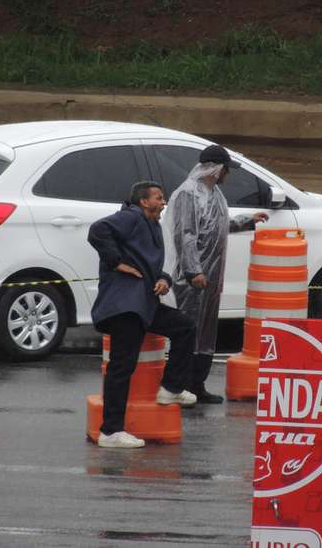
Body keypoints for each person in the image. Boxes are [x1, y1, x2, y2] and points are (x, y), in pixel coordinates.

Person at [88, 181, 197, 449]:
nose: (163, 202)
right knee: (121, 368)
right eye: (158, 198)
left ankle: (170, 389)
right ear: (143, 201)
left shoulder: (152, 225)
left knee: (184, 327)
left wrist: (164, 279)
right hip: (125, 306)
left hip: (143, 304)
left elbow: (154, 265)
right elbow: (97, 230)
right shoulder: (131, 217)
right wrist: (115, 262)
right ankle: (111, 431)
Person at [165, 145, 268, 404]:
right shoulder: (188, 194)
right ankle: (180, 386)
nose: (227, 176)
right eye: (226, 170)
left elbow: (218, 226)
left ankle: (197, 385)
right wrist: (193, 270)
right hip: (192, 277)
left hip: (211, 275)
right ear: (216, 168)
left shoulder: (214, 194)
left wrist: (247, 221)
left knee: (206, 331)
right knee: (190, 329)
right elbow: (185, 234)